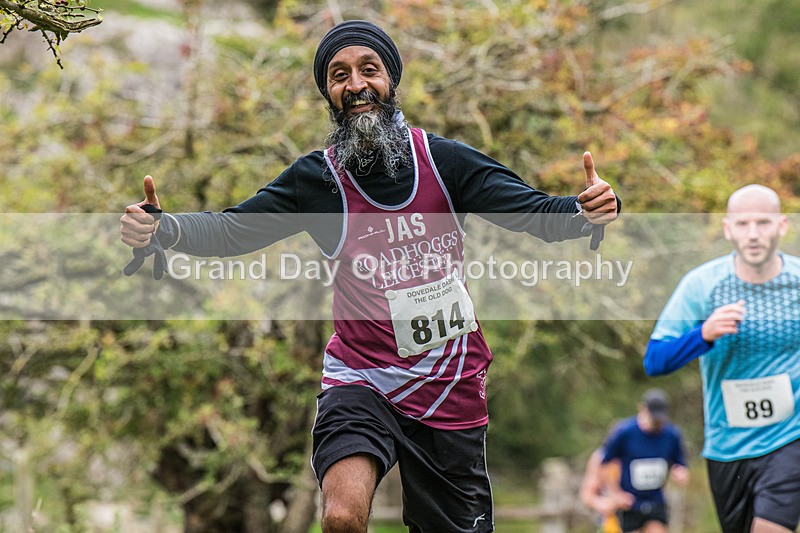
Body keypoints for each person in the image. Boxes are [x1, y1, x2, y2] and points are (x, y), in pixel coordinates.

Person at [120, 20, 620, 532]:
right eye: (339, 75)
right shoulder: (317, 182)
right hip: (360, 379)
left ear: (390, 80)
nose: (355, 84)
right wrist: (166, 230)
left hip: (448, 383)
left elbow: (534, 212)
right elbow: (232, 231)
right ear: (328, 94)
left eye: (369, 69)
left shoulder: (444, 162)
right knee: (341, 516)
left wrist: (585, 211)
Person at [644, 184, 800, 533]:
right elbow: (654, 361)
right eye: (743, 224)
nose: (754, 234)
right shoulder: (701, 285)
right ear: (728, 228)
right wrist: (704, 334)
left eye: (763, 222)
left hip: (791, 436)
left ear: (782, 226)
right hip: (728, 446)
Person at [599, 389, 689, 533]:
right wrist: (615, 493)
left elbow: (680, 463)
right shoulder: (625, 432)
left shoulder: (671, 435)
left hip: (656, 500)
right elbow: (605, 463)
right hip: (629, 503)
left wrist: (680, 473)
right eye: (654, 419)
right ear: (642, 409)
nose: (657, 423)